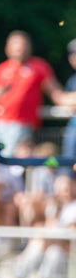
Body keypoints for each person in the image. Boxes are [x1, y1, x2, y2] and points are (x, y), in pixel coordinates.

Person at [0, 30, 76, 156]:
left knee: (15, 163)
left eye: (22, 43)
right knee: (0, 161)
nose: (19, 47)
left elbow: (58, 96)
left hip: (23, 126)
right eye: (15, 43)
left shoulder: (39, 67)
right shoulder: (0, 70)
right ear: (7, 47)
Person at [60, 39, 76, 178]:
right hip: (73, 129)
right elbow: (63, 100)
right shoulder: (72, 80)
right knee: (68, 169)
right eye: (72, 53)